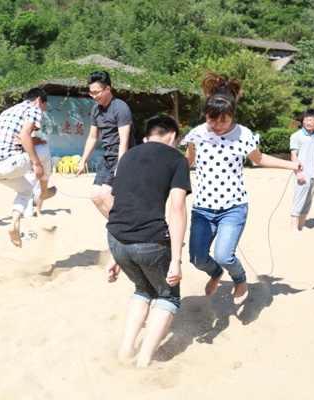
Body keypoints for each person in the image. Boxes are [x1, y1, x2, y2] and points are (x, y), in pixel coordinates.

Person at [183, 71, 302, 305]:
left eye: (224, 120)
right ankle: (216, 274)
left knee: (223, 255)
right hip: (202, 209)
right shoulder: (196, 135)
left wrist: (291, 165)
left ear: (233, 115)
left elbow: (260, 159)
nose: (217, 125)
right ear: (205, 114)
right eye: (212, 119)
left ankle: (240, 279)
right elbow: (186, 162)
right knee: (197, 259)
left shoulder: (243, 135)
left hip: (233, 207)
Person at [106, 115, 191, 367]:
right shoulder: (177, 159)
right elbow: (177, 209)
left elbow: (118, 202)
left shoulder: (126, 157)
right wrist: (176, 260)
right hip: (149, 241)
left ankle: (124, 353)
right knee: (168, 296)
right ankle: (144, 360)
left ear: (147, 136)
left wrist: (114, 254)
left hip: (116, 238)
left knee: (142, 289)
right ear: (173, 136)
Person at [0, 88, 56, 247]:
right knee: (44, 150)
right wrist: (36, 163)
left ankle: (14, 224)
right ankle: (44, 192)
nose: (43, 111)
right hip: (9, 163)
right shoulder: (34, 109)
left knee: (26, 190)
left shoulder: (8, 112)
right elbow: (24, 135)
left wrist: (34, 141)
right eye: (44, 107)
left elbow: (18, 138)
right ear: (39, 100)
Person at [75, 71, 136, 218]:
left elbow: (124, 140)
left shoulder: (120, 108)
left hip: (123, 157)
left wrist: (121, 164)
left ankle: (124, 227)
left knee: (106, 195)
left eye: (97, 92)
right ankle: (118, 226)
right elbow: (92, 137)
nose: (94, 96)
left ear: (108, 88)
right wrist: (83, 161)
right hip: (107, 158)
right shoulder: (96, 110)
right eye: (91, 93)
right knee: (95, 197)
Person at [290, 109, 314, 234]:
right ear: (303, 121)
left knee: (308, 200)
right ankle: (293, 227)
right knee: (299, 199)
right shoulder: (296, 136)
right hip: (302, 173)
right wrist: (298, 173)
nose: (308, 122)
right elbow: (293, 155)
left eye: (312, 120)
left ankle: (301, 225)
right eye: (306, 120)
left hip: (313, 173)